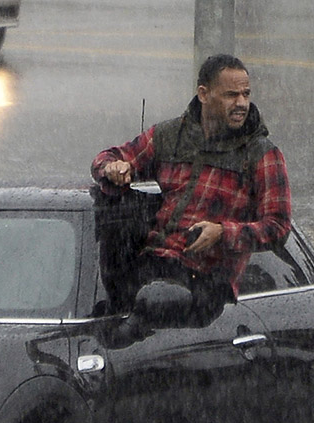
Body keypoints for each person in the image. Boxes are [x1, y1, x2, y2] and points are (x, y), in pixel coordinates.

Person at [91, 54, 292, 314]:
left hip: (205, 283)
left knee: (148, 309)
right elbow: (106, 159)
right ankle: (115, 318)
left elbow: (279, 227)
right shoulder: (169, 137)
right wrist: (113, 168)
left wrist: (222, 233)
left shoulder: (262, 155)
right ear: (203, 94)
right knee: (112, 202)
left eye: (246, 94)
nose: (241, 103)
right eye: (231, 95)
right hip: (150, 266)